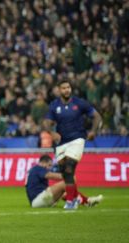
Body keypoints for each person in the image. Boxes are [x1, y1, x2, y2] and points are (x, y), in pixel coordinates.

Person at [43, 80, 102, 209]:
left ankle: (70, 201)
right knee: (65, 173)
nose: (66, 90)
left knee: (69, 168)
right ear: (59, 90)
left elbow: (97, 116)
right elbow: (47, 122)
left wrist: (93, 131)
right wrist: (51, 133)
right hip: (61, 143)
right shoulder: (54, 105)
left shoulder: (79, 103)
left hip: (77, 139)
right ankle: (77, 199)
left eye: (68, 87)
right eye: (63, 88)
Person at [25, 154, 103, 208]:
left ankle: (87, 201)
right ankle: (74, 203)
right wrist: (68, 176)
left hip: (38, 200)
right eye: (49, 165)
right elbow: (50, 175)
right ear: (43, 162)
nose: (49, 167)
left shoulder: (33, 170)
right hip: (37, 200)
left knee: (67, 193)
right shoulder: (38, 168)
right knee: (65, 183)